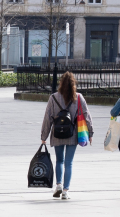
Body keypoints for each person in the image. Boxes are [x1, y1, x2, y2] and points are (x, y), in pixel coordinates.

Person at [40, 71, 87, 200]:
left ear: (61, 83)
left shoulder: (53, 98)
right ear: (73, 84)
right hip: (72, 134)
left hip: (57, 134)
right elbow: (86, 116)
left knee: (59, 160)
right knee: (69, 162)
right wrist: (90, 132)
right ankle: (66, 191)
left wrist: (44, 136)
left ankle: (59, 185)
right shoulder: (78, 97)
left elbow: (47, 118)